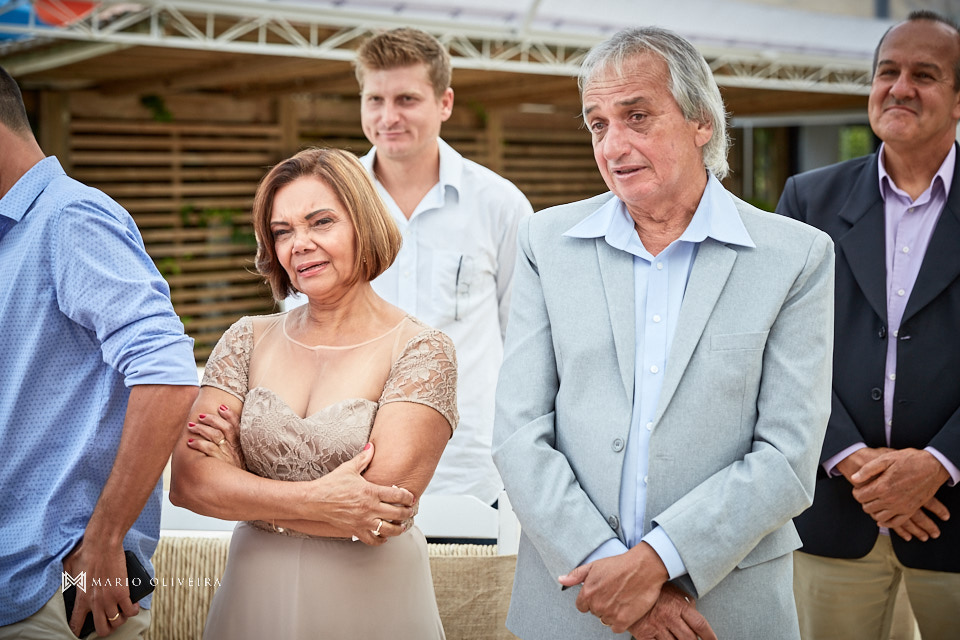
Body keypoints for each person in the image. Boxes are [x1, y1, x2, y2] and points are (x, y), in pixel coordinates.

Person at [492, 26, 835, 639]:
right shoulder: (545, 242)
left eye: (637, 116)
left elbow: (787, 456)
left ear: (702, 121)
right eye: (598, 124)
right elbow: (519, 434)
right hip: (572, 604)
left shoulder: (796, 256)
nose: (614, 144)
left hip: (722, 609)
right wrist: (613, 575)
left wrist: (656, 565)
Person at [169, 147, 459, 639]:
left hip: (371, 600)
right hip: (253, 591)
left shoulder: (422, 350)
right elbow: (190, 484)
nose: (298, 244)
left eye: (320, 222)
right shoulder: (246, 338)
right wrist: (322, 500)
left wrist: (239, 476)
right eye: (282, 231)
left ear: (362, 224)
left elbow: (377, 514)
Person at [777, 10, 960, 640]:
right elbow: (782, 351)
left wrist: (937, 462)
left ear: (959, 99)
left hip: (954, 518)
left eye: (925, 75)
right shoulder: (808, 200)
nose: (900, 87)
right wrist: (856, 462)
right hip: (835, 513)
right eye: (888, 72)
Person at [0, 66, 199, 638]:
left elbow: (167, 375)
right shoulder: (15, 232)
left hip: (57, 595)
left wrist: (106, 538)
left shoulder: (69, 219)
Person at [354, 28, 533, 507]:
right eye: (375, 99)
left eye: (407, 99)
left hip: (470, 470)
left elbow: (527, 343)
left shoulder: (500, 204)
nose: (388, 117)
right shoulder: (331, 203)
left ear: (445, 102)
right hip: (351, 466)